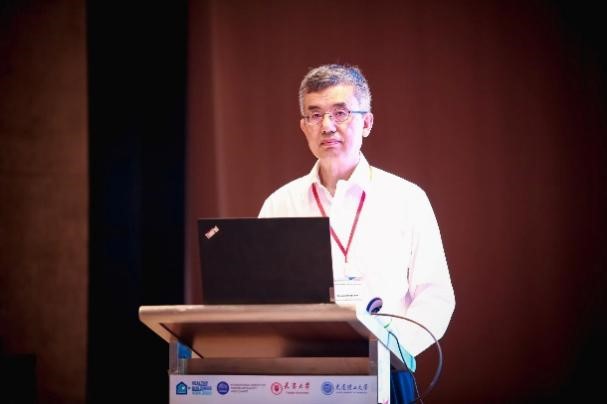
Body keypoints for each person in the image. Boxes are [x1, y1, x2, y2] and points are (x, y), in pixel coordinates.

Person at [258, 64, 455, 403]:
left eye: (341, 113)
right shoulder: (280, 204)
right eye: (315, 115)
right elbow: (259, 297)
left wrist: (391, 349)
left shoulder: (406, 198)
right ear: (304, 127)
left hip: (387, 370)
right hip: (300, 377)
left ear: (367, 123)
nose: (327, 126)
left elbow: (436, 296)